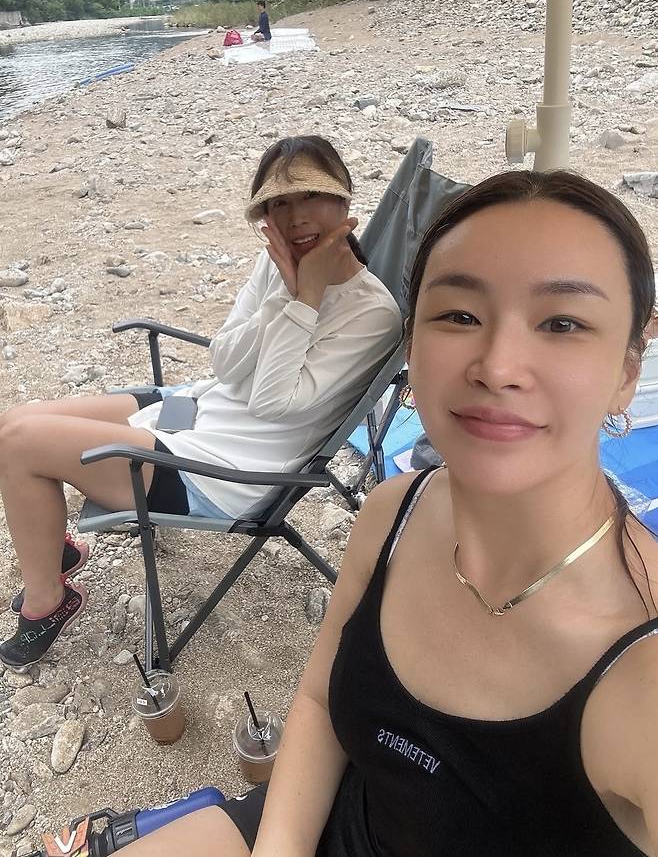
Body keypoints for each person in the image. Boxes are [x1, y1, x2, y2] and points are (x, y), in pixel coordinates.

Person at [117, 169, 658, 856]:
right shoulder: (396, 511)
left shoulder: (643, 674)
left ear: (628, 370)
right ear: (412, 343)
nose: (498, 366)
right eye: (459, 315)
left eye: (562, 323)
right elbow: (320, 703)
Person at [0, 135, 402, 670]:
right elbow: (226, 364)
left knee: (18, 444)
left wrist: (305, 300)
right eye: (279, 203)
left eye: (310, 195)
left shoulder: (373, 315)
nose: (296, 217)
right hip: (195, 410)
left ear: (344, 199)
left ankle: (48, 602)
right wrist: (285, 294)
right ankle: (58, 552)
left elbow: (273, 402)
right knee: (14, 421)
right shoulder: (279, 264)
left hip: (220, 470)